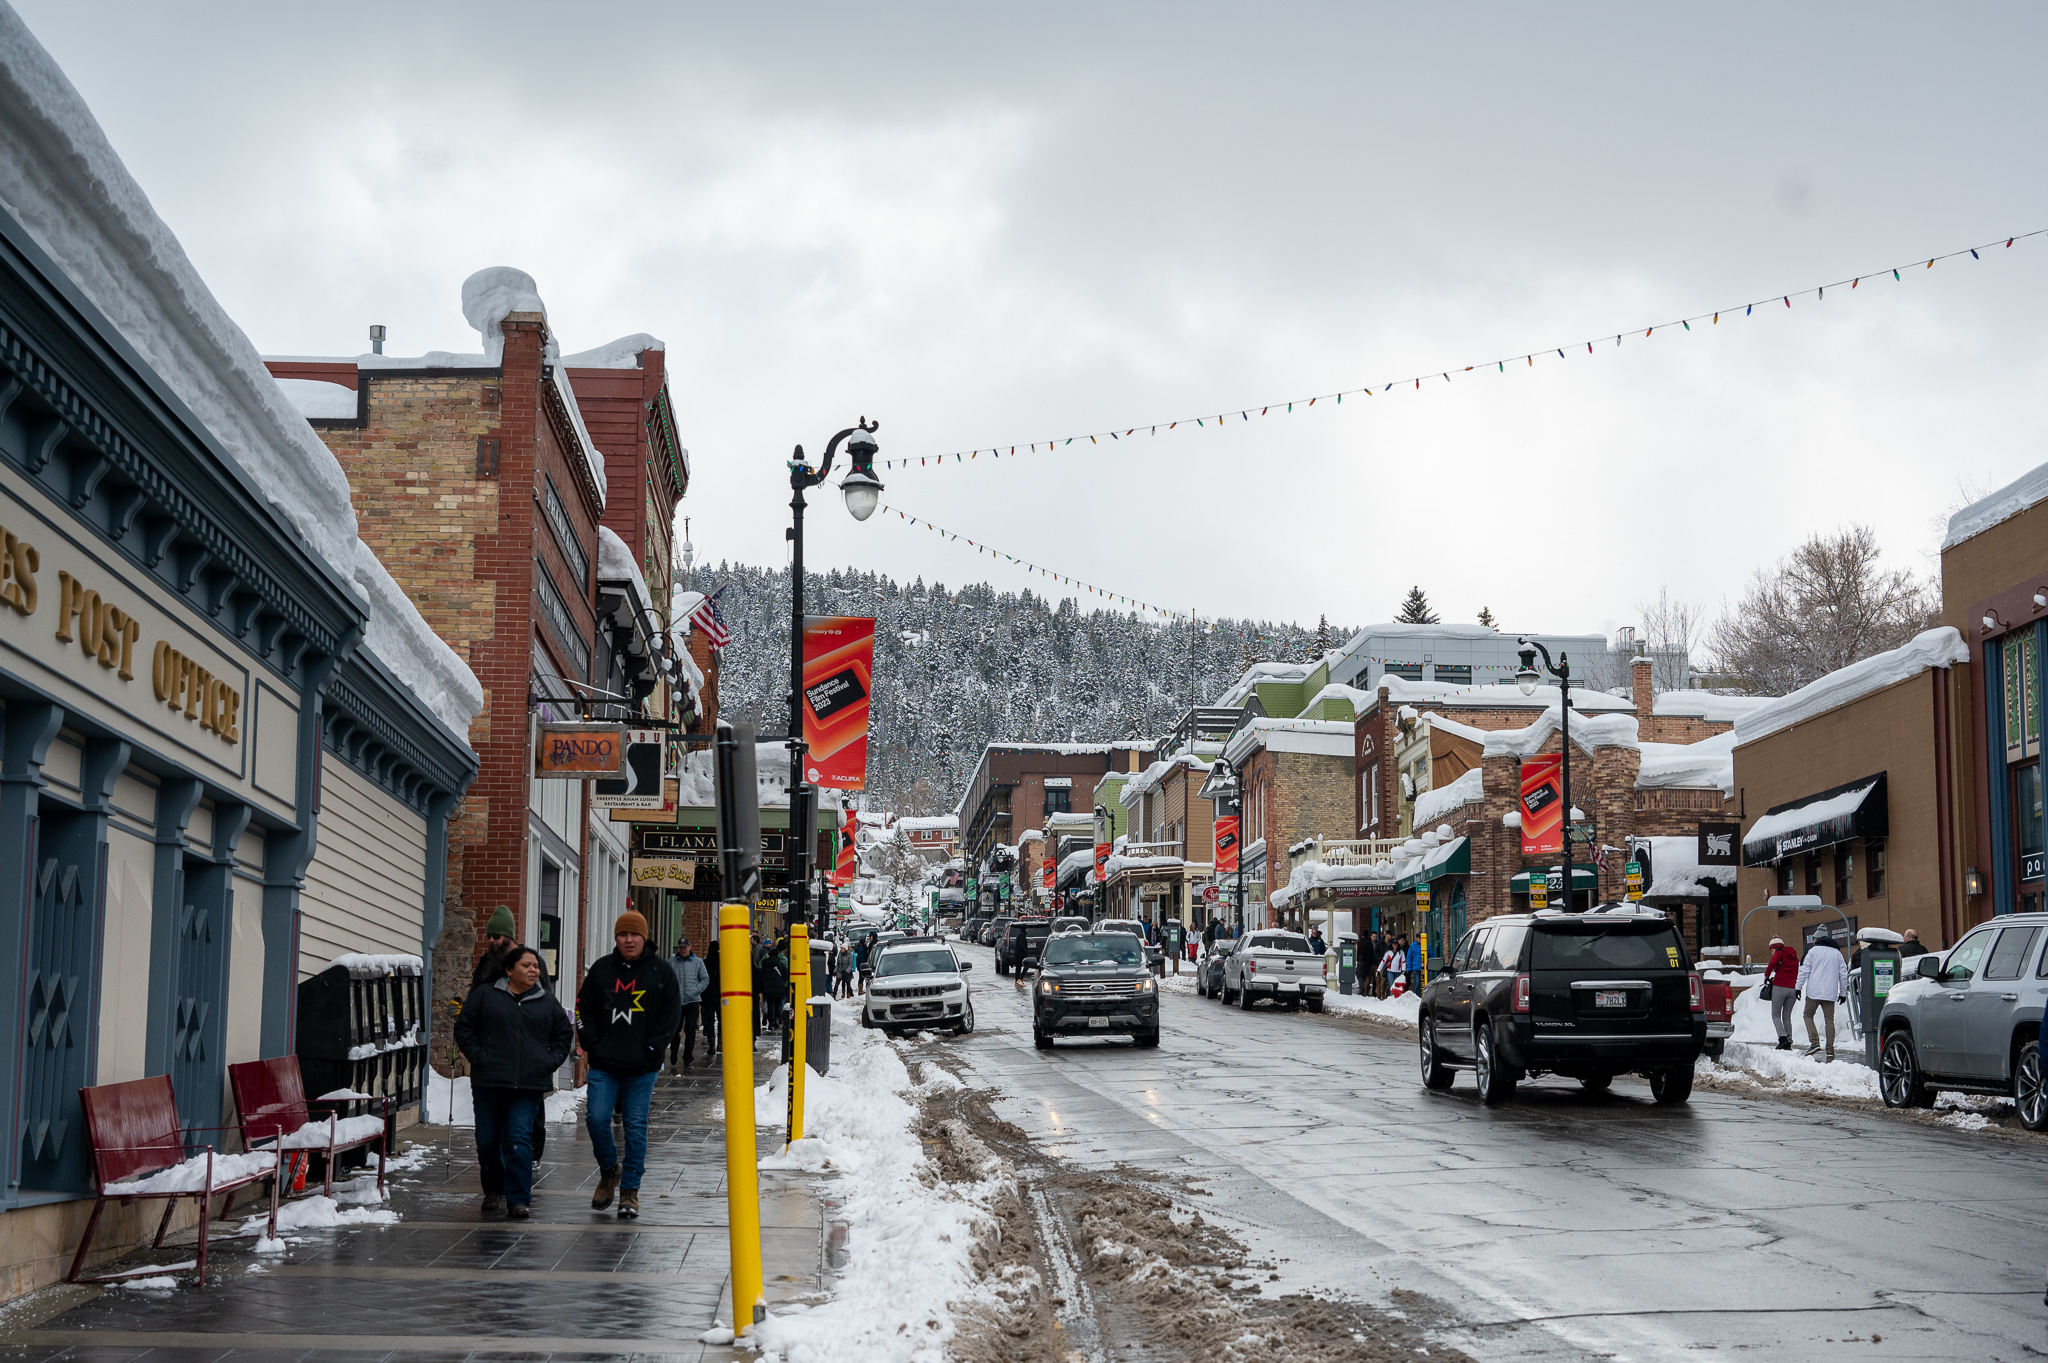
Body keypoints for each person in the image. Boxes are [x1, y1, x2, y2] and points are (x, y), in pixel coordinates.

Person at [576, 911, 683, 1220]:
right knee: (596, 1119)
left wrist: (653, 1048)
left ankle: (630, 1191)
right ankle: (609, 1171)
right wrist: (591, 1043)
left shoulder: (661, 972)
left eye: (634, 934)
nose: (628, 939)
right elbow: (584, 1008)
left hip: (642, 1067)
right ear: (616, 937)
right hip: (604, 1064)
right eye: (623, 934)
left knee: (635, 1127)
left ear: (644, 937)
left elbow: (671, 1013)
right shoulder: (601, 970)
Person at [455, 945, 572, 1221]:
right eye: (526, 965)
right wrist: (479, 1057)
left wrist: (549, 1061)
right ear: (509, 970)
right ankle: (493, 1189)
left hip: (527, 1086)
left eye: (536, 966)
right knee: (487, 1141)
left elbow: (563, 1034)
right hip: (489, 1083)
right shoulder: (486, 995)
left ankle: (519, 1199)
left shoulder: (545, 1000)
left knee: (519, 1140)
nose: (534, 970)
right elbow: (464, 1028)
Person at [471, 905, 552, 1166]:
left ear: (509, 935)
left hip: (529, 1042)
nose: (492, 941)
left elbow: (546, 1000)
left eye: (497, 936)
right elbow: (475, 998)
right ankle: (503, 1154)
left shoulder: (531, 961)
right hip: (494, 1045)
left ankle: (534, 1151)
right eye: (489, 936)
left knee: (532, 1100)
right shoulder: (486, 963)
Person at [1796, 929, 1850, 1062]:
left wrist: (1798, 987)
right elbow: (1844, 974)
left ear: (1817, 939)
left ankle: (1814, 1042)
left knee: (1808, 1015)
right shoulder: (1837, 953)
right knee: (1829, 1021)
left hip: (1813, 992)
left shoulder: (1812, 952)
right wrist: (1842, 993)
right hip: (1830, 992)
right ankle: (1830, 1051)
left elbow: (1804, 970)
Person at [666, 938, 709, 1070]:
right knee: (675, 1030)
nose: (683, 950)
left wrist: (694, 991)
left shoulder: (698, 962)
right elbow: (665, 979)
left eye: (685, 947)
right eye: (680, 947)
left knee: (690, 1030)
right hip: (677, 1002)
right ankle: (674, 1052)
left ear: (690, 947)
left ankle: (688, 1058)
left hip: (692, 1001)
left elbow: (705, 979)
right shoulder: (671, 962)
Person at [1765, 936, 1800, 1050]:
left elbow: (1772, 963)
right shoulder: (1793, 956)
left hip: (1780, 986)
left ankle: (1782, 1038)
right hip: (1792, 988)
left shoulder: (1779, 953)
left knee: (1775, 1015)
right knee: (1787, 1016)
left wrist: (1766, 975)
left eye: (1772, 950)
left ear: (1775, 948)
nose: (1772, 953)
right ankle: (1789, 1040)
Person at [701, 931, 720, 1060]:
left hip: (708, 995)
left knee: (709, 1020)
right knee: (722, 1020)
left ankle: (712, 1045)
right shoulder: (723, 963)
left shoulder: (705, 963)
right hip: (721, 995)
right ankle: (721, 1044)